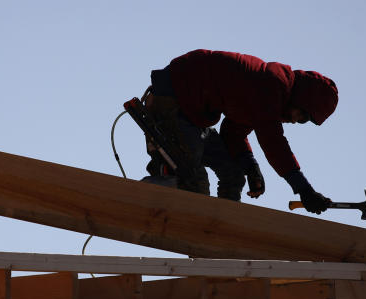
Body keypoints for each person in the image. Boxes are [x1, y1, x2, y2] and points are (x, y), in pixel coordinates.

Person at [141, 49, 338, 214]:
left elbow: (233, 132)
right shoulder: (271, 85)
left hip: (193, 116)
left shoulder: (262, 97)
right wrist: (304, 189)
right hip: (172, 102)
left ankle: (220, 234)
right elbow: (273, 142)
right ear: (301, 99)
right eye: (303, 116)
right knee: (193, 184)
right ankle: (144, 199)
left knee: (234, 174)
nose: (296, 121)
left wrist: (250, 167)